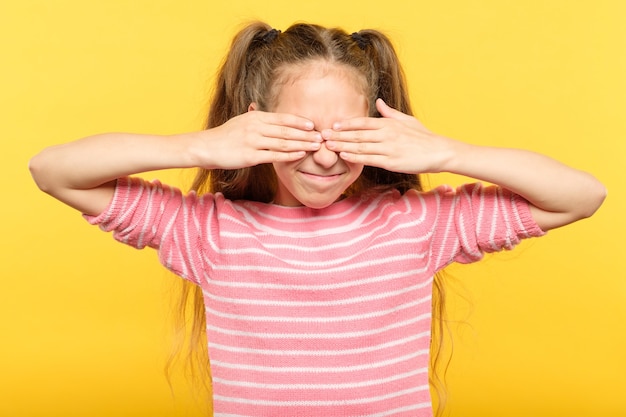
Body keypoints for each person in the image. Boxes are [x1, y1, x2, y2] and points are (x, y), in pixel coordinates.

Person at [29, 21, 605, 417]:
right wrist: (200, 147)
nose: (326, 156)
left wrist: (448, 155)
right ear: (255, 125)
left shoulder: (417, 224)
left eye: (348, 135)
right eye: (298, 133)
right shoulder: (208, 232)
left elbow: (580, 195)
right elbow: (54, 170)